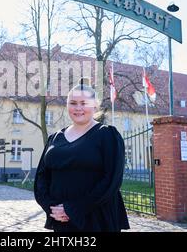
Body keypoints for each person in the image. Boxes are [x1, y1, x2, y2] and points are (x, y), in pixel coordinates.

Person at [34, 78, 130, 232]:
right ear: (67, 106)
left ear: (94, 105)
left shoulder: (107, 135)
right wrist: (51, 207)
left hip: (97, 219)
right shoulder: (54, 138)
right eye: (73, 103)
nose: (78, 108)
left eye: (83, 103)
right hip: (61, 220)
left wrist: (73, 208)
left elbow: (111, 180)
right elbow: (41, 177)